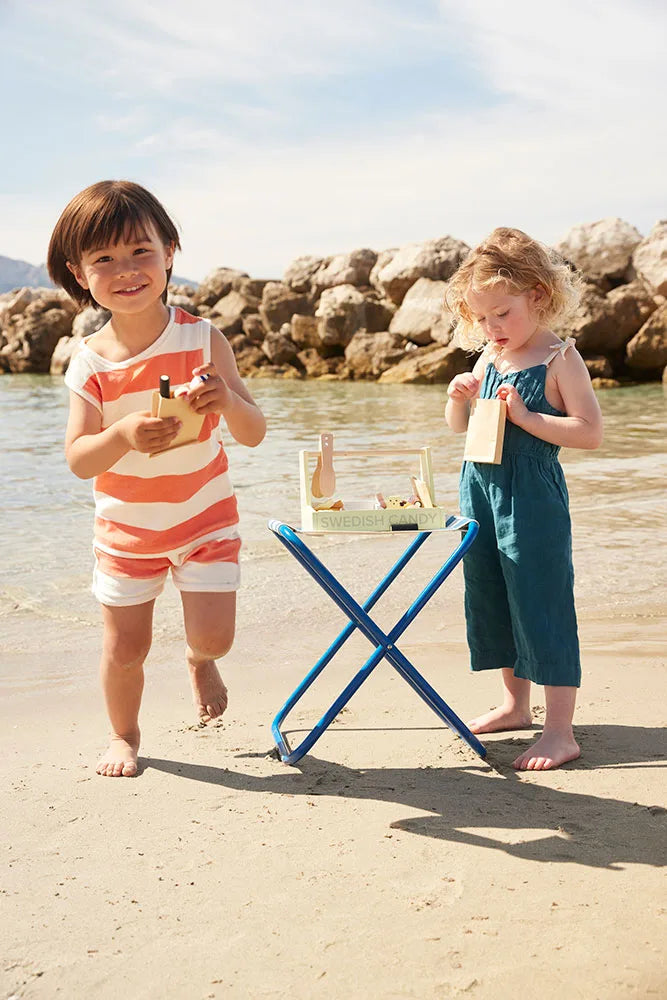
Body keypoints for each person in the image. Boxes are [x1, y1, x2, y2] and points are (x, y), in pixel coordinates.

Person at [48, 180, 267, 778]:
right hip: (128, 532)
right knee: (126, 650)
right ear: (80, 273)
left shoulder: (202, 339)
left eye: (140, 251)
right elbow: (79, 459)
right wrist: (121, 435)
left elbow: (253, 433)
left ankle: (199, 661)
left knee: (216, 638)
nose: (126, 270)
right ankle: (124, 735)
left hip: (205, 519)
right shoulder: (90, 363)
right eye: (104, 259)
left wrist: (227, 402)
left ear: (169, 252)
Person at [444, 227, 603, 771]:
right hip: (479, 489)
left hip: (531, 497)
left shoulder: (560, 357)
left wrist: (530, 418)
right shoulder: (490, 356)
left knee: (541, 599)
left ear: (537, 294)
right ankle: (516, 705)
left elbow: (589, 432)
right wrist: (457, 397)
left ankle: (560, 731)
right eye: (481, 317)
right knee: (492, 594)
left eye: (502, 313)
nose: (492, 327)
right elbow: (458, 427)